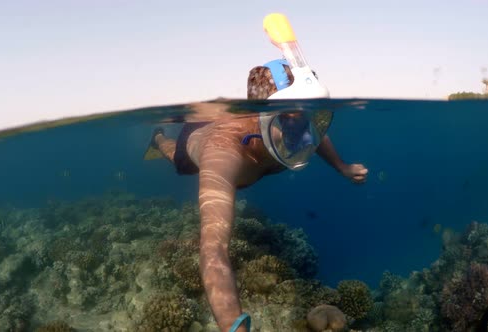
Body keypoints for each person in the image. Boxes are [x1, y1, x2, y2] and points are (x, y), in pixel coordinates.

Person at [143, 59, 368, 331]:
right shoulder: (221, 154)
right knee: (175, 157)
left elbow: (314, 132)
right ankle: (156, 137)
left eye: (307, 119)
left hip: (250, 148)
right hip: (202, 137)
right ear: (263, 118)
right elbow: (213, 250)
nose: (305, 139)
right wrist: (233, 324)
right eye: (290, 123)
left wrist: (342, 167)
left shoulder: (295, 125)